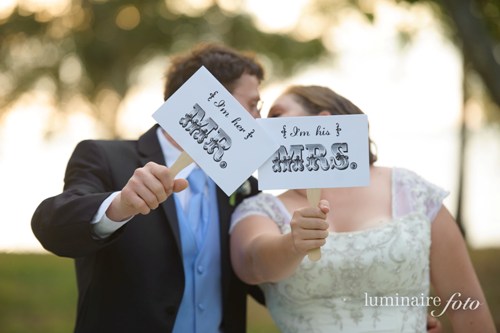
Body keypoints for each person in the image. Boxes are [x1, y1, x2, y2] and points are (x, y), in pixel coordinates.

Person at [31, 43, 265, 333]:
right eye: (253, 105)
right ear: (210, 100)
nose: (258, 119)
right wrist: (119, 206)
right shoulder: (104, 157)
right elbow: (53, 226)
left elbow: (261, 280)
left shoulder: (244, 185)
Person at [229, 85, 496, 333]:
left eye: (276, 115)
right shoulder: (261, 208)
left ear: (323, 122)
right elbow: (252, 264)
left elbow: (466, 305)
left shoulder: (410, 190)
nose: (263, 126)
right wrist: (292, 245)